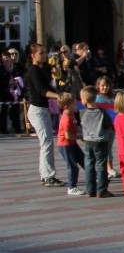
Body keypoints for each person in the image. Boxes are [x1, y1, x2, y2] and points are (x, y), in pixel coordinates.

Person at [26, 44, 63, 187]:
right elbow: (41, 90)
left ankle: (45, 175)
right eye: (41, 53)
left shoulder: (43, 69)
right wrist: (58, 96)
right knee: (46, 142)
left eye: (45, 52)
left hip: (43, 109)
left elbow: (50, 85)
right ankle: (48, 177)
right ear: (33, 55)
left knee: (46, 143)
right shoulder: (33, 70)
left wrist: (59, 92)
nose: (44, 55)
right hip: (37, 110)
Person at [80, 85, 115, 198]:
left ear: (85, 99)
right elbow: (107, 124)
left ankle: (90, 190)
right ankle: (102, 190)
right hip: (100, 141)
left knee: (89, 165)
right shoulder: (101, 112)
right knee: (101, 165)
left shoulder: (82, 112)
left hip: (88, 141)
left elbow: (81, 125)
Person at [56, 92, 85, 196]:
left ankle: (94, 177)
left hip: (72, 143)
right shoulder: (66, 119)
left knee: (84, 160)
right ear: (66, 106)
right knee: (72, 166)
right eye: (73, 103)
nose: (75, 105)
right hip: (66, 145)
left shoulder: (71, 114)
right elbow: (68, 136)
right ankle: (72, 187)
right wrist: (80, 137)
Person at [94, 76, 120, 182]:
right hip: (102, 127)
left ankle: (110, 168)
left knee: (109, 148)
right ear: (98, 86)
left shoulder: (111, 99)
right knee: (103, 149)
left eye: (107, 85)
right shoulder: (97, 98)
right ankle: (106, 169)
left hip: (111, 126)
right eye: (102, 85)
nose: (105, 87)